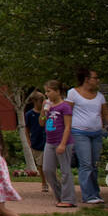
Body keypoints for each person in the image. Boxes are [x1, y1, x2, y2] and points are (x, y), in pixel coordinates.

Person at [67, 68, 108, 205]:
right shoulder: (73, 93)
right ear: (86, 79)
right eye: (95, 78)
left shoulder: (100, 96)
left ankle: (95, 193)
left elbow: (106, 113)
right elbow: (67, 112)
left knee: (94, 164)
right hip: (79, 132)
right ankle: (88, 196)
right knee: (86, 164)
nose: (98, 80)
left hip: (96, 133)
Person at [41, 80, 76, 208]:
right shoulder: (49, 107)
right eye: (46, 91)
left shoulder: (65, 106)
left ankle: (69, 199)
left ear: (57, 91)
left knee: (65, 170)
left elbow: (68, 127)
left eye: (49, 91)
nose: (47, 94)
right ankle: (59, 195)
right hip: (49, 142)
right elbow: (42, 123)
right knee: (47, 169)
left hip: (63, 142)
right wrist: (43, 110)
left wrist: (63, 144)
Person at [25, 91, 47, 191]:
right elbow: (27, 129)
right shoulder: (29, 114)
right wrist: (28, 140)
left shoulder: (47, 112)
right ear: (34, 101)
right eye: (40, 101)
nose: (42, 102)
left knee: (50, 163)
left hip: (47, 140)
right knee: (40, 164)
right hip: (36, 141)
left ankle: (54, 181)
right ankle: (44, 182)